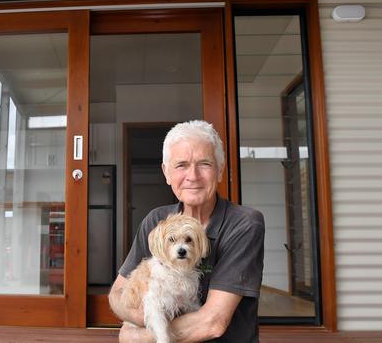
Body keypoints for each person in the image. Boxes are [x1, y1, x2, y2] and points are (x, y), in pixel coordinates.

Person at [108, 120, 265, 343]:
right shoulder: (156, 221)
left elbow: (213, 323)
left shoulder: (244, 224)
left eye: (204, 164)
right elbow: (117, 295)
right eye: (181, 165)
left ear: (220, 170)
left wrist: (137, 337)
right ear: (166, 172)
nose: (193, 176)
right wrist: (147, 318)